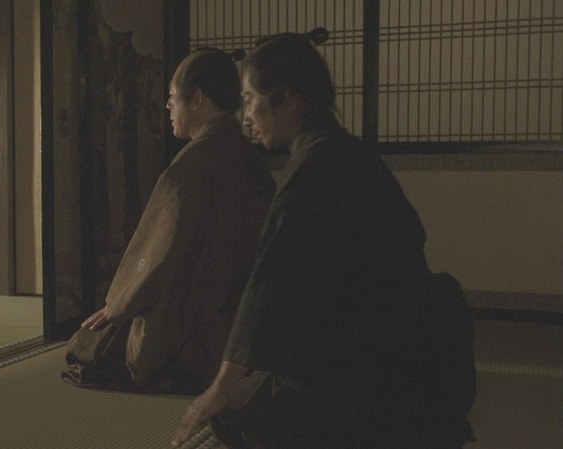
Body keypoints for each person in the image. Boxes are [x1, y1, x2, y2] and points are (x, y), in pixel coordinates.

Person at [171, 29, 476, 448]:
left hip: (371, 378)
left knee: (237, 428)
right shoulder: (346, 152)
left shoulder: (315, 169)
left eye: (249, 99)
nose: (246, 116)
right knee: (246, 414)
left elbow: (267, 289)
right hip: (406, 356)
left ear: (288, 99)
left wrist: (218, 390)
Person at [63, 48, 275, 393]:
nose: (167, 106)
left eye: (173, 97)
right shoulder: (249, 158)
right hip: (246, 331)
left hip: (198, 328)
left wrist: (118, 304)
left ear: (198, 100)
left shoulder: (190, 167)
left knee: (89, 345)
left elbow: (155, 257)